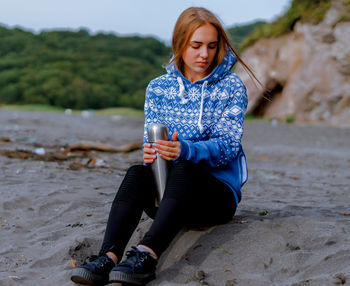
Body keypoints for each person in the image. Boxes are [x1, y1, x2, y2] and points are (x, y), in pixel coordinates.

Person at [71, 6, 255, 286]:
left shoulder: (231, 86)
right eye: (196, 46)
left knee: (185, 165)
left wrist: (186, 150)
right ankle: (108, 256)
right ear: (180, 44)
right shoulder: (158, 88)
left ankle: (146, 255)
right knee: (137, 172)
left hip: (215, 198)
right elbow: (151, 144)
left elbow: (228, 146)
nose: (204, 55)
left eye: (211, 46)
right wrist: (152, 153)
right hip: (169, 197)